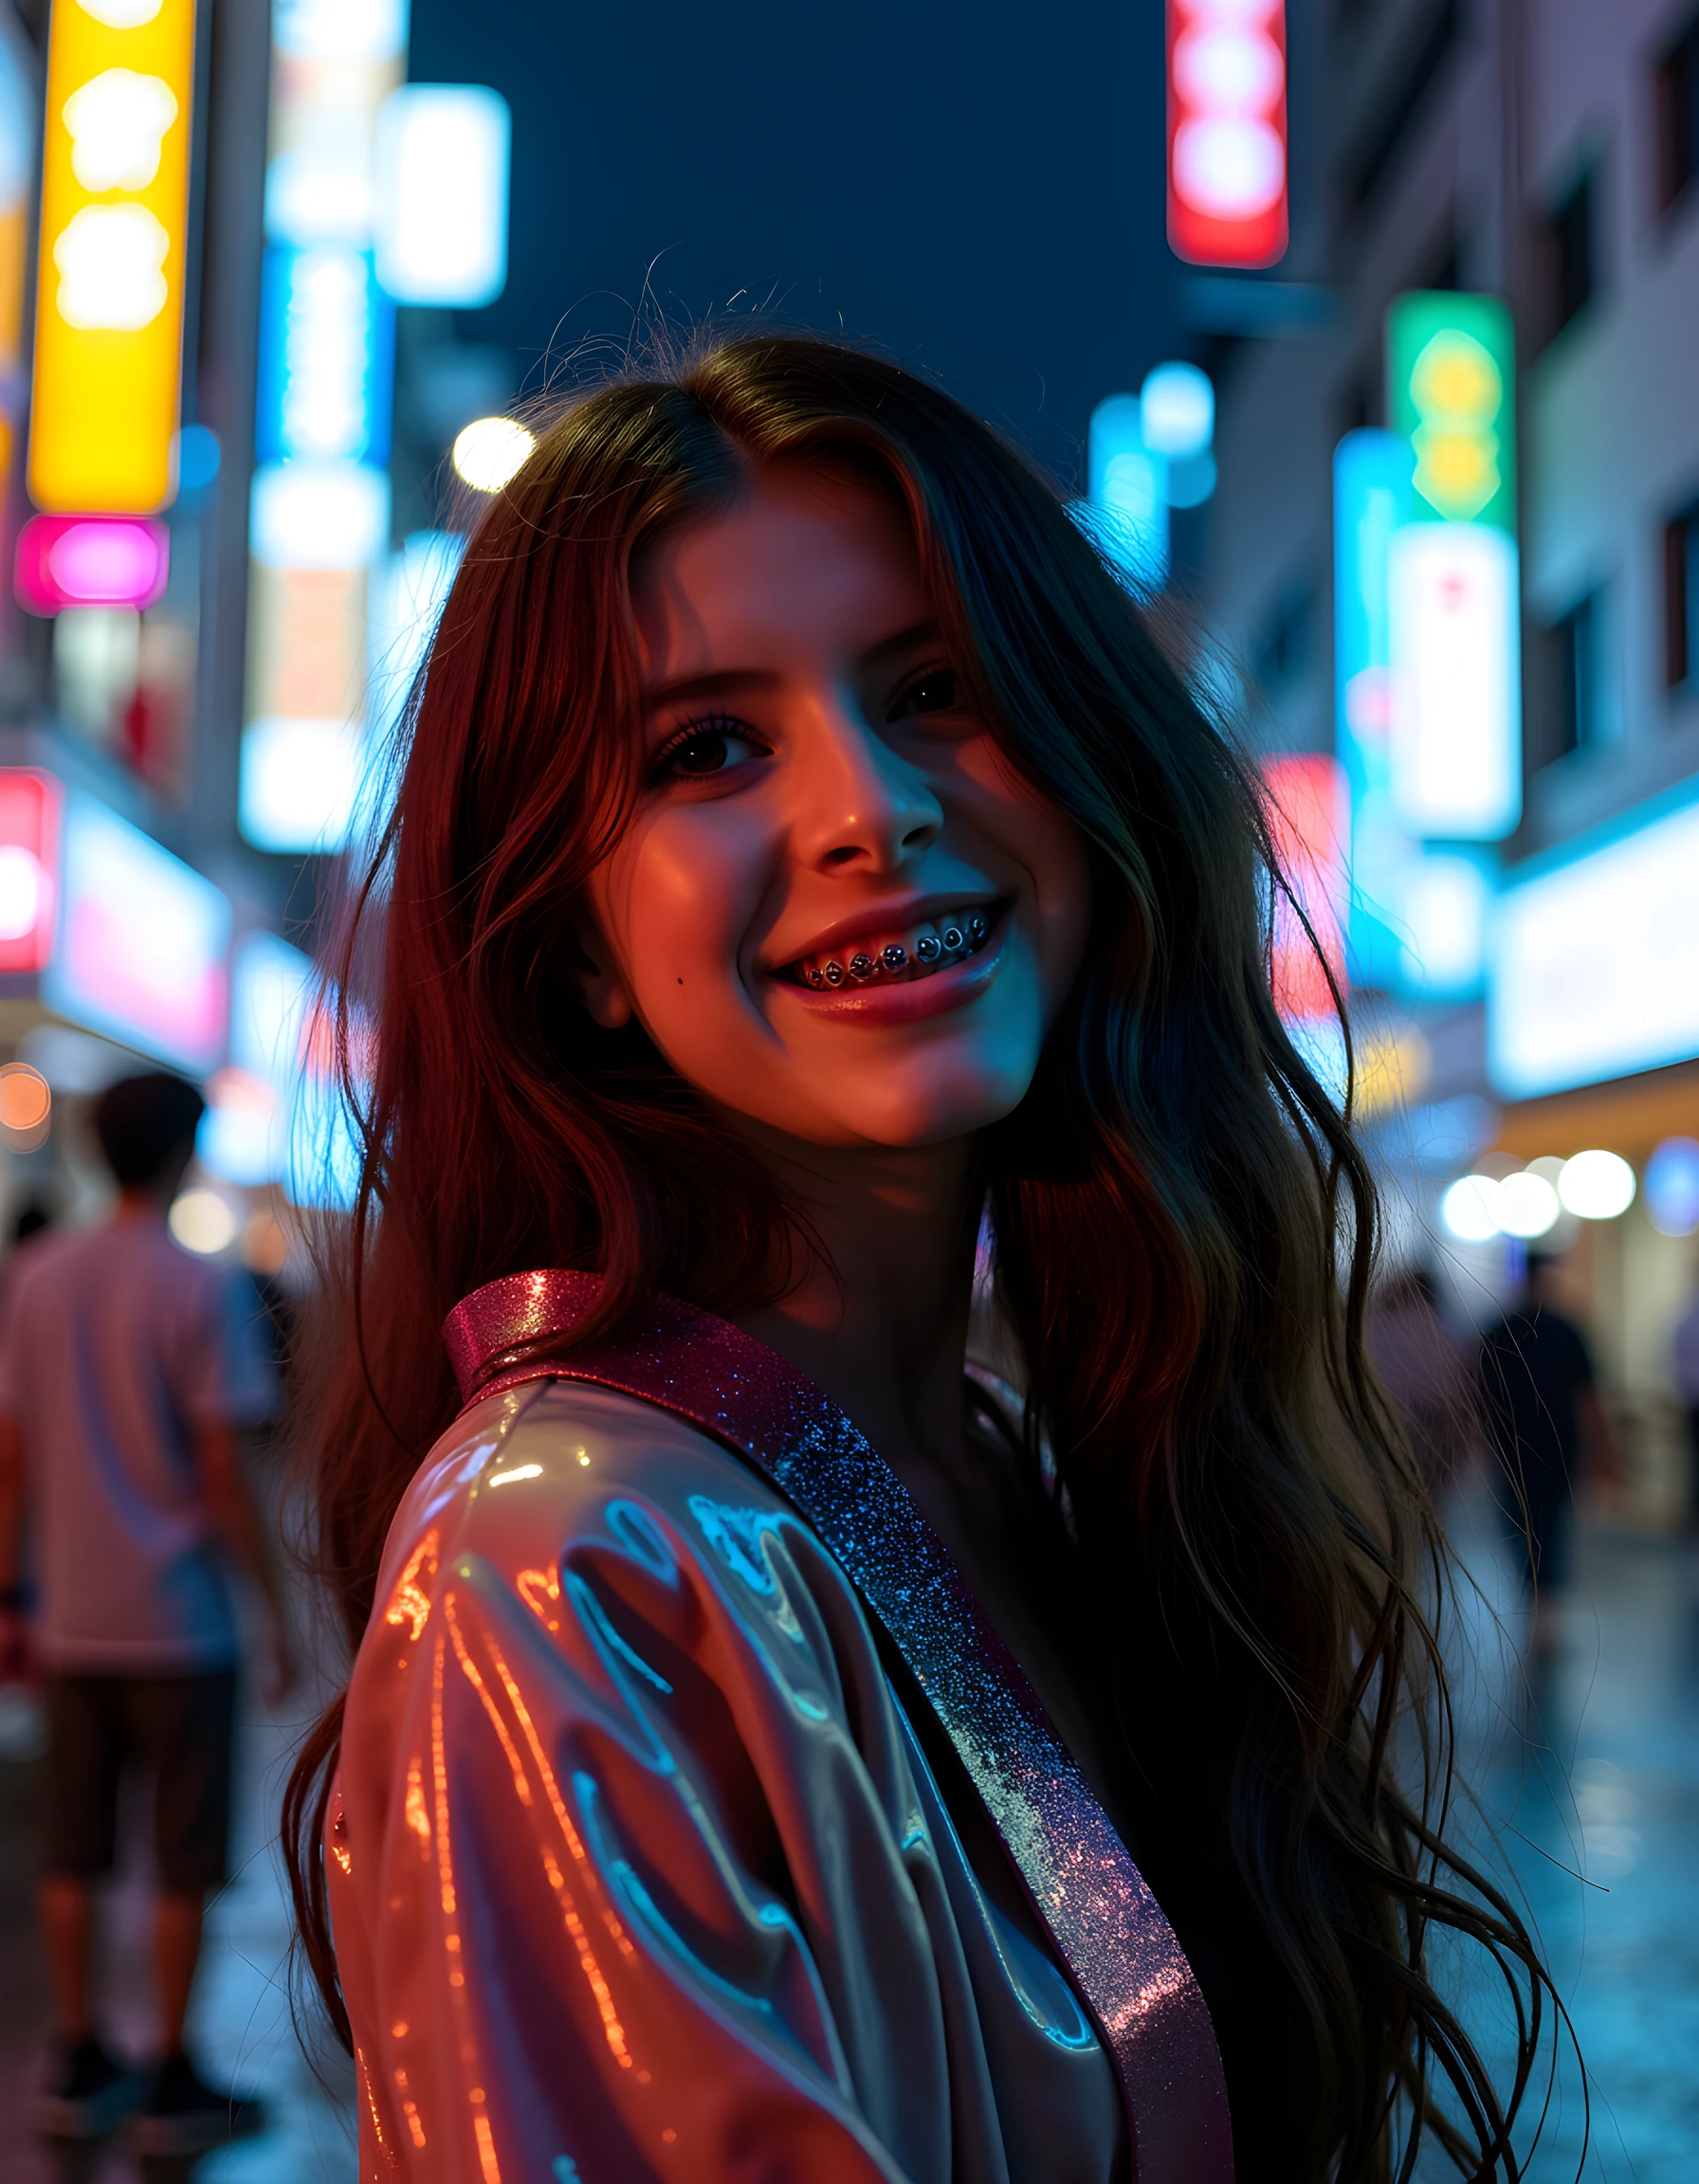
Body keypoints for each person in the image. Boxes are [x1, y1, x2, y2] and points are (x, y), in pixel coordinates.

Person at [283, 335, 1560, 2182]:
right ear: (567, 939)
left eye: (934, 688)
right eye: (707, 747)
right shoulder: (566, 1564)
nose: (867, 808)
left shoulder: (1003, 1462)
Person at [0, 1071, 290, 2151]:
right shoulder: (199, 1288)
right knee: (182, 1855)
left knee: (73, 1849)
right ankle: (171, 2077)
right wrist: (271, 1613)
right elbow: (225, 1473)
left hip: (72, 1620)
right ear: (182, 1151)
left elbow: (12, 1455)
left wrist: (11, 1594)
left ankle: (77, 2057)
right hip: (181, 1627)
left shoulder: (36, 1275)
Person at [1478, 1251, 1620, 1650]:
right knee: (1543, 1526)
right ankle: (1542, 1607)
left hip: (1518, 1449)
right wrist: (1604, 1451)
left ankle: (1540, 1605)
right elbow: (1589, 1400)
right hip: (1541, 1447)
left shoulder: (1500, 1330)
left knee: (1531, 1526)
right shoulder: (1559, 1330)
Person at [1671, 1282, 1699, 1529]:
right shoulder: (1688, 1320)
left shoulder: (1685, 1320)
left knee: (1694, 1459)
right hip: (1693, 1398)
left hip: (1691, 1399)